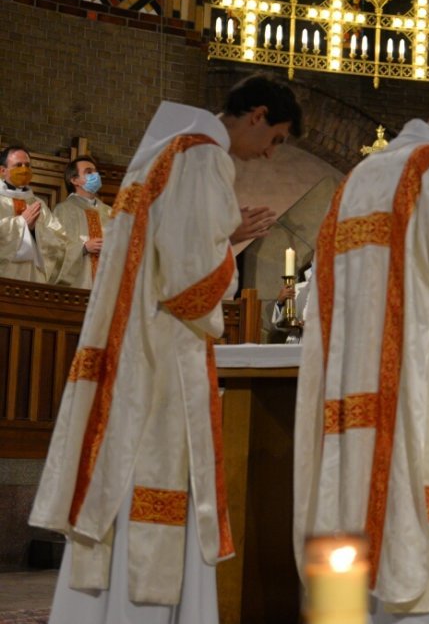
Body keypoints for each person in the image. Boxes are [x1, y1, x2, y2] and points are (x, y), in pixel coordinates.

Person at [30, 73, 302, 624]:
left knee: (121, 477)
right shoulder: (203, 158)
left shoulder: (160, 153)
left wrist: (222, 242)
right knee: (154, 475)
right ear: (256, 115)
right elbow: (189, 288)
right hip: (161, 358)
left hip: (135, 345)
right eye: (273, 140)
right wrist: (229, 257)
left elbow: (167, 258)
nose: (268, 155)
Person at [293, 94, 429, 624]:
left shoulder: (357, 178)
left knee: (351, 492)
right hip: (422, 362)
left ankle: (347, 614)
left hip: (349, 373)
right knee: (427, 485)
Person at [0, 144, 67, 283]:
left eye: (27, 165)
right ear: (2, 171)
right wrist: (21, 223)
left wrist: (35, 229)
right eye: (18, 165)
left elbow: (59, 241)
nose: (24, 170)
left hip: (34, 281)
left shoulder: (39, 204)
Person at [53, 155, 112, 290]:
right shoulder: (63, 211)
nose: (95, 175)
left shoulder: (110, 213)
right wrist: (84, 248)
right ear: (74, 180)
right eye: (89, 172)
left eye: (96, 171)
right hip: (76, 290)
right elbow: (53, 250)